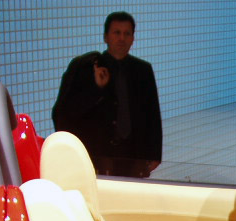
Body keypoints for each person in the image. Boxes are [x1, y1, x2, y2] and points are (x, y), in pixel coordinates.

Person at [52, 11, 162, 177]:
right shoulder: (85, 67)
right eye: (116, 32)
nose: (121, 38)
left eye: (127, 34)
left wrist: (154, 154)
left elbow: (152, 114)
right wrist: (97, 88)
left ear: (133, 38)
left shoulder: (143, 70)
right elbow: (63, 112)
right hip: (98, 155)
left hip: (134, 155)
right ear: (106, 37)